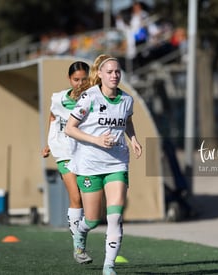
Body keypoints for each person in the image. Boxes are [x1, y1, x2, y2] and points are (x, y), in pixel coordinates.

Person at [65, 54, 142, 275]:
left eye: (117, 72)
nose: (114, 75)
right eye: (109, 72)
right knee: (92, 219)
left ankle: (109, 267)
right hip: (90, 164)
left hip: (117, 162)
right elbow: (70, 128)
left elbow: (127, 120)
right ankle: (80, 232)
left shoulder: (127, 100)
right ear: (99, 74)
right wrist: (97, 140)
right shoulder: (89, 97)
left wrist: (133, 139)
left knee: (115, 216)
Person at [41, 61, 92, 264]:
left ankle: (82, 236)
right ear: (69, 79)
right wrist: (49, 144)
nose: (80, 83)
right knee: (76, 198)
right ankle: (78, 248)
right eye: (76, 79)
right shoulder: (59, 98)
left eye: (84, 79)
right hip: (64, 152)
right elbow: (53, 118)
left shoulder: (94, 98)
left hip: (86, 153)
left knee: (91, 207)